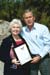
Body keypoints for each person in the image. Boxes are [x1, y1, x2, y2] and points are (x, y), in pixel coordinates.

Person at [21, 9, 50, 75]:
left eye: (30, 17)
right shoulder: (22, 30)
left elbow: (48, 44)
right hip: (30, 58)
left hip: (44, 57)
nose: (28, 19)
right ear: (24, 20)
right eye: (26, 18)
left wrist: (40, 56)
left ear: (34, 18)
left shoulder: (43, 28)